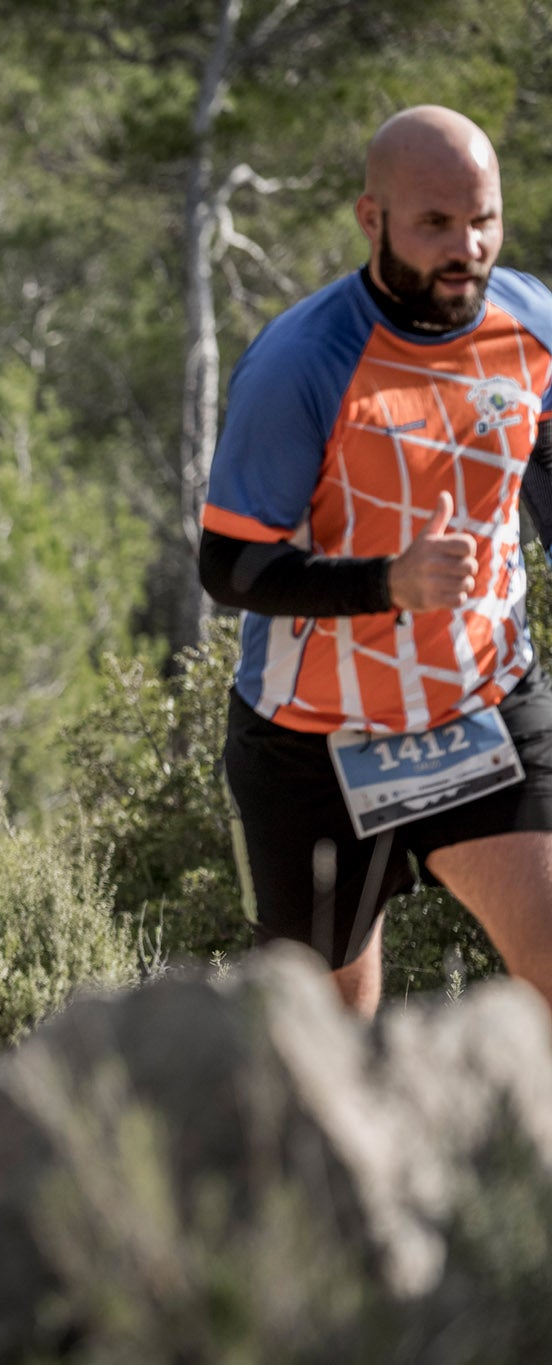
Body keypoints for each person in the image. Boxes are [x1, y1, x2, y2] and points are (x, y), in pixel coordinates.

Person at [201, 105, 552, 1020]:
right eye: (435, 223)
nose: (466, 247)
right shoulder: (301, 362)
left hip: (484, 702)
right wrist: (385, 584)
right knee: (325, 1042)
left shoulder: (532, 328)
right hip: (313, 739)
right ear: (372, 218)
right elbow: (228, 567)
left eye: (484, 219)